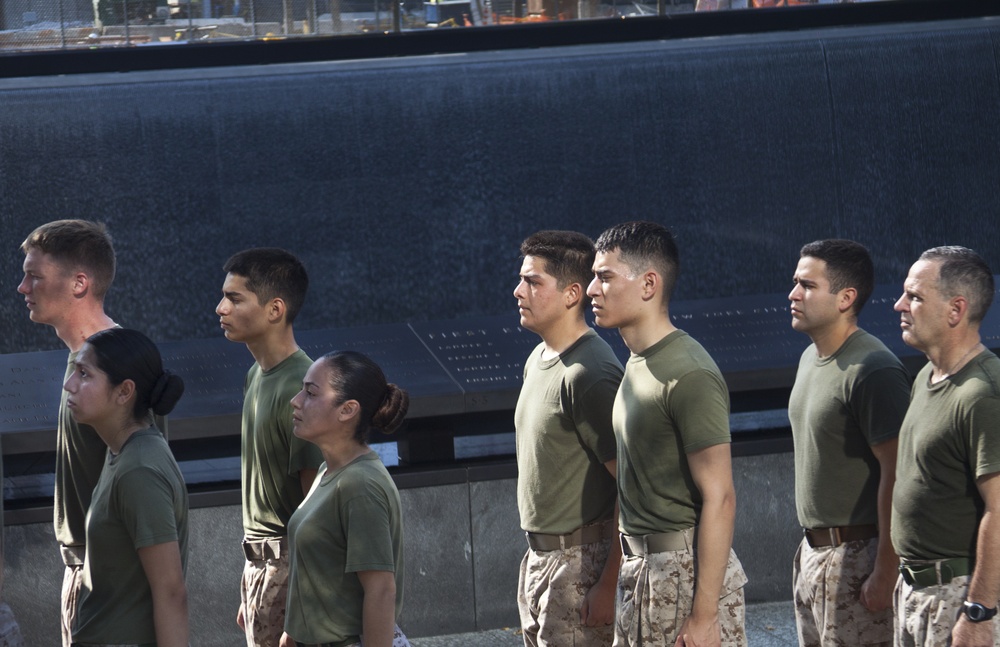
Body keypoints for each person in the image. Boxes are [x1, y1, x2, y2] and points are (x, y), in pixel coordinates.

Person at [587, 220, 747, 647]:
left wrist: (706, 614)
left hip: (682, 576)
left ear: (648, 284)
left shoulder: (689, 371)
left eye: (604, 277)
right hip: (643, 573)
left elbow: (721, 496)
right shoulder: (639, 364)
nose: (591, 290)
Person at [787, 239, 910, 647]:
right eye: (795, 283)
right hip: (812, 554)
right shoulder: (809, 359)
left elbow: (899, 473)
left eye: (807, 285)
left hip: (858, 556)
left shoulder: (872, 368)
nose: (793, 294)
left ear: (846, 298)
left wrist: (885, 570)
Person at [513, 231, 624, 647]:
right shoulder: (537, 359)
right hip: (540, 560)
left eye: (533, 282)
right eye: (522, 279)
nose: (518, 291)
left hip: (580, 566)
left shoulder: (590, 372)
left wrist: (608, 584)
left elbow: (628, 487)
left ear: (572, 293)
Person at [17, 220, 120, 647]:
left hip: (109, 585)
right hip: (84, 574)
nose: (23, 288)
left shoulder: (117, 365)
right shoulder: (83, 360)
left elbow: (145, 482)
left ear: (79, 283)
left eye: (34, 276)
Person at [891, 246, 1000, 647]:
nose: (900, 304)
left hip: (959, 598)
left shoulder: (983, 393)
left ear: (956, 310)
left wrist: (979, 613)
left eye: (915, 297)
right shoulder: (925, 376)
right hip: (915, 593)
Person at [216, 248, 323, 647]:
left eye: (235, 298)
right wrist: (253, 581)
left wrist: (299, 607)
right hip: (261, 568)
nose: (220, 308)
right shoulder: (254, 376)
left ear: (275, 309)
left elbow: (316, 510)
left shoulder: (304, 387)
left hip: (289, 569)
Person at [63, 328, 188, 646]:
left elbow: (170, 591)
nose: (69, 385)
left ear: (124, 392)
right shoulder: (122, 450)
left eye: (84, 374)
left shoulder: (140, 469)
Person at [280, 351, 410, 647]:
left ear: (348, 409)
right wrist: (293, 634)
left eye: (311, 393)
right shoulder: (329, 470)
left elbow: (380, 590)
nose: (296, 401)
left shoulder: (360, 484)